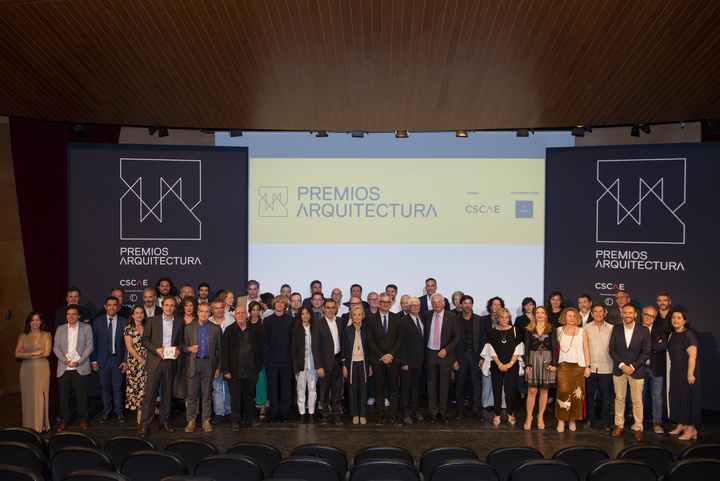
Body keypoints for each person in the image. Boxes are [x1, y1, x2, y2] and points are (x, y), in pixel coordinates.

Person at [139, 297, 184, 437]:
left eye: (172, 306)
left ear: (175, 308)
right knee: (150, 394)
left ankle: (163, 422)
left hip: (170, 361)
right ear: (162, 306)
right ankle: (145, 425)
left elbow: (181, 342)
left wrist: (178, 350)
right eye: (166, 305)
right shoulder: (153, 321)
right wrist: (156, 350)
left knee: (167, 394)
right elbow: (144, 340)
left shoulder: (180, 322)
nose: (169, 308)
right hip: (155, 360)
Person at [609, 304, 651, 441]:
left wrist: (632, 366)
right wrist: (622, 365)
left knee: (637, 401)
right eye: (625, 312)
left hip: (636, 371)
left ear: (635, 315)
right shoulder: (616, 329)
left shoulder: (643, 331)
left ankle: (638, 427)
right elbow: (612, 350)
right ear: (621, 314)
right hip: (619, 370)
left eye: (630, 313)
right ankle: (619, 425)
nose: (627, 315)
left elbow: (646, 352)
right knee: (619, 399)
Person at [222, 306, 265, 432]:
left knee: (249, 396)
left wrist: (258, 366)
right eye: (238, 313)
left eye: (242, 313)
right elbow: (224, 352)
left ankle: (249, 418)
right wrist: (226, 370)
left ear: (247, 315)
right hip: (234, 371)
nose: (240, 315)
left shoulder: (254, 330)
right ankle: (235, 421)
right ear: (234, 316)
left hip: (251, 370)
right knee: (235, 397)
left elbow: (261, 350)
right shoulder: (229, 331)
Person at [182, 302, 222, 433]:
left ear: (210, 313)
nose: (204, 314)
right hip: (193, 363)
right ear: (197, 312)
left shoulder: (216, 328)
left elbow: (220, 350)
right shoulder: (189, 328)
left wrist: (218, 367)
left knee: (206, 394)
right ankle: (191, 421)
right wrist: (188, 348)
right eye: (201, 311)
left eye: (206, 311)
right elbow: (182, 345)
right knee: (192, 394)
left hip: (209, 364)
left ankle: (206, 420)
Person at [53, 304, 94, 430]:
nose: (71, 316)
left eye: (74, 314)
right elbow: (56, 347)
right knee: (63, 397)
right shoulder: (60, 329)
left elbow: (89, 347)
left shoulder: (86, 328)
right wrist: (65, 360)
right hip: (64, 367)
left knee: (81, 395)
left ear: (79, 316)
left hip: (79, 367)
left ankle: (82, 419)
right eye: (68, 314)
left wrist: (79, 361)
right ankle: (64, 420)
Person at [367, 292, 404, 426]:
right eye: (382, 301)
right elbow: (370, 340)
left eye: (388, 302)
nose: (385, 304)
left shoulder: (397, 318)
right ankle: (380, 415)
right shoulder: (371, 319)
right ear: (378, 302)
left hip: (393, 360)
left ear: (391, 303)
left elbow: (400, 339)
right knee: (379, 389)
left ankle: (394, 415)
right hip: (378, 360)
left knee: (394, 389)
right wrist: (382, 355)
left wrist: (390, 355)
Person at [424, 292, 461, 423]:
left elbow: (457, 336)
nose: (436, 304)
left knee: (445, 384)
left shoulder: (452, 317)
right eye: (434, 302)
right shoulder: (427, 315)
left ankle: (443, 410)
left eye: (439, 302)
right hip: (430, 354)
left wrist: (447, 349)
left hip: (445, 354)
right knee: (431, 384)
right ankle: (433, 412)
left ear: (444, 303)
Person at [91, 296, 128, 423]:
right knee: (105, 387)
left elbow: (127, 345)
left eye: (114, 305)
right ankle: (107, 411)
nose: (112, 307)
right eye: (109, 305)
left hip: (118, 360)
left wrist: (125, 360)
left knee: (118, 388)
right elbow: (93, 343)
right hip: (103, 360)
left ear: (118, 307)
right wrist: (93, 361)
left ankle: (119, 411)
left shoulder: (124, 322)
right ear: (105, 306)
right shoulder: (97, 322)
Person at [555, 307, 590, 432]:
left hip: (579, 367)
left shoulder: (582, 332)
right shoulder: (559, 330)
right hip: (564, 367)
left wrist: (587, 367)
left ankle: (572, 419)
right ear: (564, 317)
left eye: (574, 316)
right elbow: (555, 350)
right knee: (563, 392)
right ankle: (561, 419)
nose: (572, 318)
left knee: (577, 395)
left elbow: (586, 350)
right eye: (569, 316)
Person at [15, 311, 52, 432]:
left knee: (41, 397)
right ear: (29, 322)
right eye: (33, 320)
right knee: (28, 397)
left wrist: (27, 356)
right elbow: (17, 354)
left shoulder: (47, 335)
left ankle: (42, 424)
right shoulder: (23, 336)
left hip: (42, 368)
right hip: (27, 370)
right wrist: (34, 354)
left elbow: (47, 353)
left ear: (41, 322)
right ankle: (29, 425)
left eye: (37, 320)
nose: (35, 323)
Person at [667, 310, 700, 440]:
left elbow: (693, 355)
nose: (675, 320)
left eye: (679, 318)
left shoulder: (688, 335)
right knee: (678, 397)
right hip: (676, 371)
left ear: (684, 321)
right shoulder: (673, 335)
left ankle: (691, 428)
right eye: (673, 317)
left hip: (687, 371)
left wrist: (690, 373)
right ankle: (681, 424)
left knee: (688, 399)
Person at [453, 295, 487, 421]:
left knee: (476, 384)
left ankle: (476, 409)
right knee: (460, 384)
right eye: (465, 303)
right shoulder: (455, 320)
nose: (467, 305)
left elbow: (484, 339)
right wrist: (454, 359)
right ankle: (460, 409)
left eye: (469, 303)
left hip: (475, 356)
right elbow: (452, 340)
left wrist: (482, 357)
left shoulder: (479, 320)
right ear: (460, 305)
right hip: (460, 356)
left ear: (472, 305)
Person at [522, 306, 556, 430]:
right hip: (533, 359)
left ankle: (540, 416)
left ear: (546, 315)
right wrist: (527, 364)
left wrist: (554, 363)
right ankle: (529, 416)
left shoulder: (551, 328)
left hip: (547, 360)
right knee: (532, 390)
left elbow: (554, 347)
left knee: (544, 390)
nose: (540, 315)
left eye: (542, 313)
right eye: (538, 313)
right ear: (534, 315)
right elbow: (526, 348)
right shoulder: (529, 329)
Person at [487, 307, 522, 425]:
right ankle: (497, 414)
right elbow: (490, 350)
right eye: (502, 317)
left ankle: (510, 413)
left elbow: (518, 349)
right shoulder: (492, 332)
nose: (504, 319)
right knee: (496, 390)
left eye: (507, 317)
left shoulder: (515, 330)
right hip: (497, 365)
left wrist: (510, 364)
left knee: (510, 391)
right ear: (497, 318)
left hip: (512, 366)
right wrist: (500, 364)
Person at [262, 295, 295, 423]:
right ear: (274, 305)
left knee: (286, 387)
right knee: (272, 387)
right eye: (278, 303)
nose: (280, 305)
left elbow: (293, 341)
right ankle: (274, 412)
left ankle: (285, 412)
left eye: (282, 303)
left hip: (287, 360)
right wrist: (265, 358)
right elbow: (264, 341)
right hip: (271, 360)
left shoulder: (291, 320)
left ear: (285, 306)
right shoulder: (268, 320)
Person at [312, 297, 344, 424]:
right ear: (323, 309)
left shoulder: (341, 321)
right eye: (328, 308)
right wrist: (318, 366)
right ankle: (325, 413)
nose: (330, 310)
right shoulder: (317, 324)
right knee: (324, 390)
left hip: (338, 361)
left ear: (336, 309)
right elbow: (316, 346)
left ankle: (336, 412)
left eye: (333, 307)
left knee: (337, 389)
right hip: (324, 363)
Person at [583, 303, 614, 431]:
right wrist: (586, 366)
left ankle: (605, 420)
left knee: (606, 397)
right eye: (595, 311)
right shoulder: (586, 328)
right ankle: (590, 419)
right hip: (590, 367)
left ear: (605, 313)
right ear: (592, 313)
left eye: (601, 311)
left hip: (607, 367)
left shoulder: (612, 328)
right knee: (589, 395)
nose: (598, 314)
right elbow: (583, 348)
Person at [342, 306, 372, 425]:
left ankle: (363, 414)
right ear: (351, 317)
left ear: (363, 316)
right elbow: (343, 348)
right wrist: (344, 365)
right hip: (351, 363)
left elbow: (370, 349)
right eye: (355, 315)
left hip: (364, 363)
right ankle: (354, 414)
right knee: (352, 389)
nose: (357, 317)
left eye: (359, 314)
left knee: (364, 389)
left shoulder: (367, 329)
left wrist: (370, 365)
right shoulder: (347, 330)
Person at [641, 306, 667, 434]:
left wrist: (645, 347)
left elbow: (663, 346)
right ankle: (638, 421)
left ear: (655, 318)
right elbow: (633, 347)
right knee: (639, 396)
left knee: (657, 396)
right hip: (639, 368)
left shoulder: (660, 330)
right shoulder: (636, 329)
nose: (648, 317)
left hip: (656, 368)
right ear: (642, 315)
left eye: (651, 316)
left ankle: (657, 421)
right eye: (646, 314)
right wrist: (654, 347)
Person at [400, 297, 425, 424]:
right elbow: (401, 343)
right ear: (408, 307)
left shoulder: (422, 318)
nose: (416, 307)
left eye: (418, 305)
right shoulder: (404, 321)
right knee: (406, 388)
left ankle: (415, 409)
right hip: (408, 362)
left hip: (420, 361)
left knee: (416, 387)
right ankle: (406, 412)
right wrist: (404, 361)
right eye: (413, 305)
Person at [292, 306, 317, 423]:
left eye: (307, 313)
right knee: (301, 389)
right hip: (300, 364)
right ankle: (302, 413)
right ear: (300, 316)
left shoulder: (315, 328)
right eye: (303, 314)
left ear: (311, 315)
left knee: (312, 388)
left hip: (313, 364)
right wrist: (295, 367)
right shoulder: (296, 329)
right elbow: (293, 350)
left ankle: (311, 412)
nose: (305, 315)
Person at [124, 306, 148, 424]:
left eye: (141, 313)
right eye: (137, 313)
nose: (139, 315)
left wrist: (147, 359)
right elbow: (129, 348)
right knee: (137, 388)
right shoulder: (129, 329)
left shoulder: (147, 327)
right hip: (134, 363)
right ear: (132, 315)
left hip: (148, 361)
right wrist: (141, 360)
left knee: (146, 387)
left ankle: (146, 411)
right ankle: (139, 413)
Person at [248, 301, 268, 419]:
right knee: (248, 385)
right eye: (253, 310)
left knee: (261, 384)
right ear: (250, 311)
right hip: (248, 359)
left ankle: (262, 407)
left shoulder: (263, 324)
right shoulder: (245, 324)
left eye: (257, 310)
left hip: (261, 358)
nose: (255, 312)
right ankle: (249, 407)